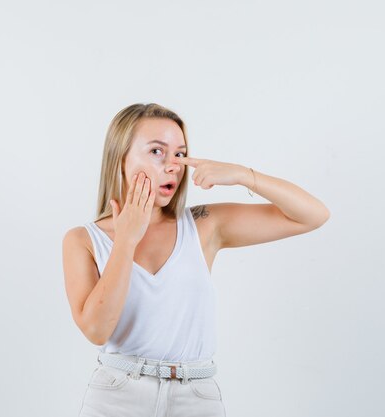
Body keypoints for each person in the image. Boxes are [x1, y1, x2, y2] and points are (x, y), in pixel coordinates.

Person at [62, 103, 330, 416]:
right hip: (118, 396)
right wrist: (126, 240)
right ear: (120, 158)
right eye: (157, 152)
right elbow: (96, 330)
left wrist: (244, 176)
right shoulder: (83, 240)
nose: (174, 165)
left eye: (180, 154)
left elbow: (313, 216)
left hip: (195, 397)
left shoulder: (203, 225)